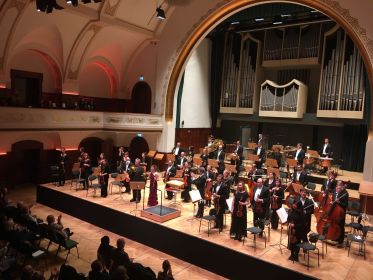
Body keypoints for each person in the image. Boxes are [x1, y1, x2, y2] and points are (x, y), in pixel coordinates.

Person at [333, 181, 349, 247]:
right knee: (336, 225)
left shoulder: (345, 193)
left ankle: (340, 241)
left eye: (339, 185)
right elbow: (334, 198)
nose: (338, 186)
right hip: (335, 212)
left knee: (341, 226)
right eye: (337, 185)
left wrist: (338, 202)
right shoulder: (335, 190)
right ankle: (336, 237)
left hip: (341, 213)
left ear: (342, 186)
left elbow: (345, 204)